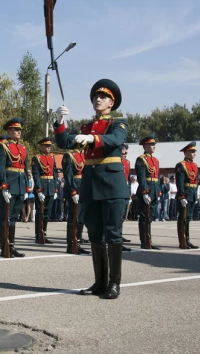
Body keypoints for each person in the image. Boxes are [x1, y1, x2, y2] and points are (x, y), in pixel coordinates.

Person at [55, 78, 129, 299]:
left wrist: (92, 138)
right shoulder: (86, 127)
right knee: (95, 235)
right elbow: (65, 142)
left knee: (113, 234)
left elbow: (115, 139)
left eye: (103, 97)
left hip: (112, 185)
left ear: (111, 103)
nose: (98, 99)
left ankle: (114, 283)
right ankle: (100, 282)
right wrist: (60, 123)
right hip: (91, 184)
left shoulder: (118, 123)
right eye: (96, 96)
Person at [0, 118, 29, 258]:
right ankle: (4, 247)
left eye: (20, 130)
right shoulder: (3, 147)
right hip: (9, 184)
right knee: (5, 217)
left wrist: (26, 187)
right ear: (9, 132)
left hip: (20, 186)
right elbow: (0, 167)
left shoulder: (23, 148)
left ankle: (11, 246)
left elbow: (25, 169)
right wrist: (3, 186)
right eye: (15, 130)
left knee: (14, 217)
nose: (19, 132)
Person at [61, 145, 90, 254]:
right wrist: (73, 191)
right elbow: (68, 175)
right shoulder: (69, 155)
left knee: (81, 218)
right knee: (74, 217)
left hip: (83, 188)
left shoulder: (84, 155)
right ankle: (71, 244)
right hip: (74, 189)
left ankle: (77, 242)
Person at [135, 135, 161, 250]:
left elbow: (157, 177)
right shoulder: (141, 159)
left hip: (154, 189)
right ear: (145, 146)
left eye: (154, 144)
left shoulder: (155, 160)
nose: (153, 146)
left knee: (150, 217)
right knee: (144, 216)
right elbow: (142, 177)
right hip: (147, 189)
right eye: (151, 144)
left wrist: (158, 191)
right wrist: (145, 192)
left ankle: (149, 239)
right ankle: (144, 240)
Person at [32, 137, 57, 244]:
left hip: (50, 187)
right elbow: (36, 174)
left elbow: (54, 174)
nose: (48, 148)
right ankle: (38, 235)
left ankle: (44, 233)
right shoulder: (36, 158)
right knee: (40, 212)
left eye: (49, 146)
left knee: (47, 213)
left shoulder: (52, 158)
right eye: (46, 146)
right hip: (41, 186)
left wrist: (55, 189)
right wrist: (38, 189)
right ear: (41, 146)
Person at [175, 142, 199, 249]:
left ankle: (187, 240)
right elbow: (180, 183)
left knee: (188, 218)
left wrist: (196, 194)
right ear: (186, 152)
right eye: (192, 151)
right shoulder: (181, 165)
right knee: (183, 218)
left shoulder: (194, 165)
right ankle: (182, 241)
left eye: (194, 151)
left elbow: (195, 181)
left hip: (192, 193)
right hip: (185, 193)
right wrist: (181, 196)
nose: (194, 153)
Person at [120, 143, 132, 251]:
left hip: (125, 190)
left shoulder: (127, 162)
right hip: (118, 190)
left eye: (125, 150)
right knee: (117, 216)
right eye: (123, 149)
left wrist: (129, 192)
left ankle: (119, 236)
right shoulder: (116, 161)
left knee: (123, 216)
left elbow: (128, 178)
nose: (124, 151)